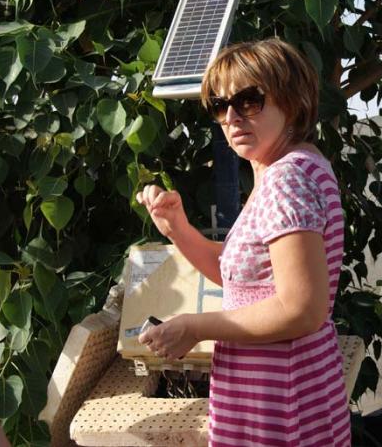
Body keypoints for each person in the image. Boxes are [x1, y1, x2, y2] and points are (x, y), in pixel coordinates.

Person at [136, 38, 350, 446]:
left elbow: (302, 309)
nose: (232, 116)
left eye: (249, 100)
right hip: (289, 391)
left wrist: (195, 327)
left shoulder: (286, 179)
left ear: (294, 101)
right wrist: (178, 229)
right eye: (220, 105)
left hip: (278, 402)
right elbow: (247, 282)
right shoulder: (294, 168)